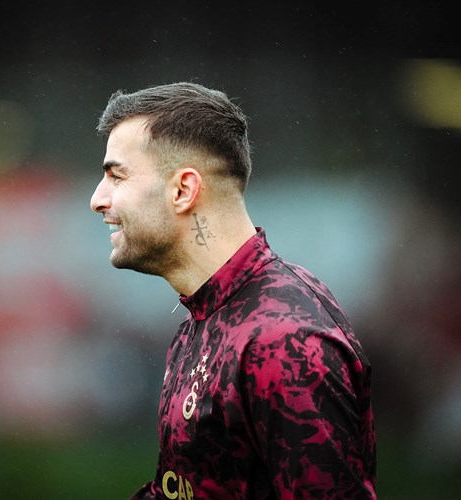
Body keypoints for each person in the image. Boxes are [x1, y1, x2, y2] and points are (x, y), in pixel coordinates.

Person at [90, 82, 376, 499]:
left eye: (117, 175)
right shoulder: (209, 311)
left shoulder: (283, 341)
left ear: (183, 190)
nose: (98, 199)